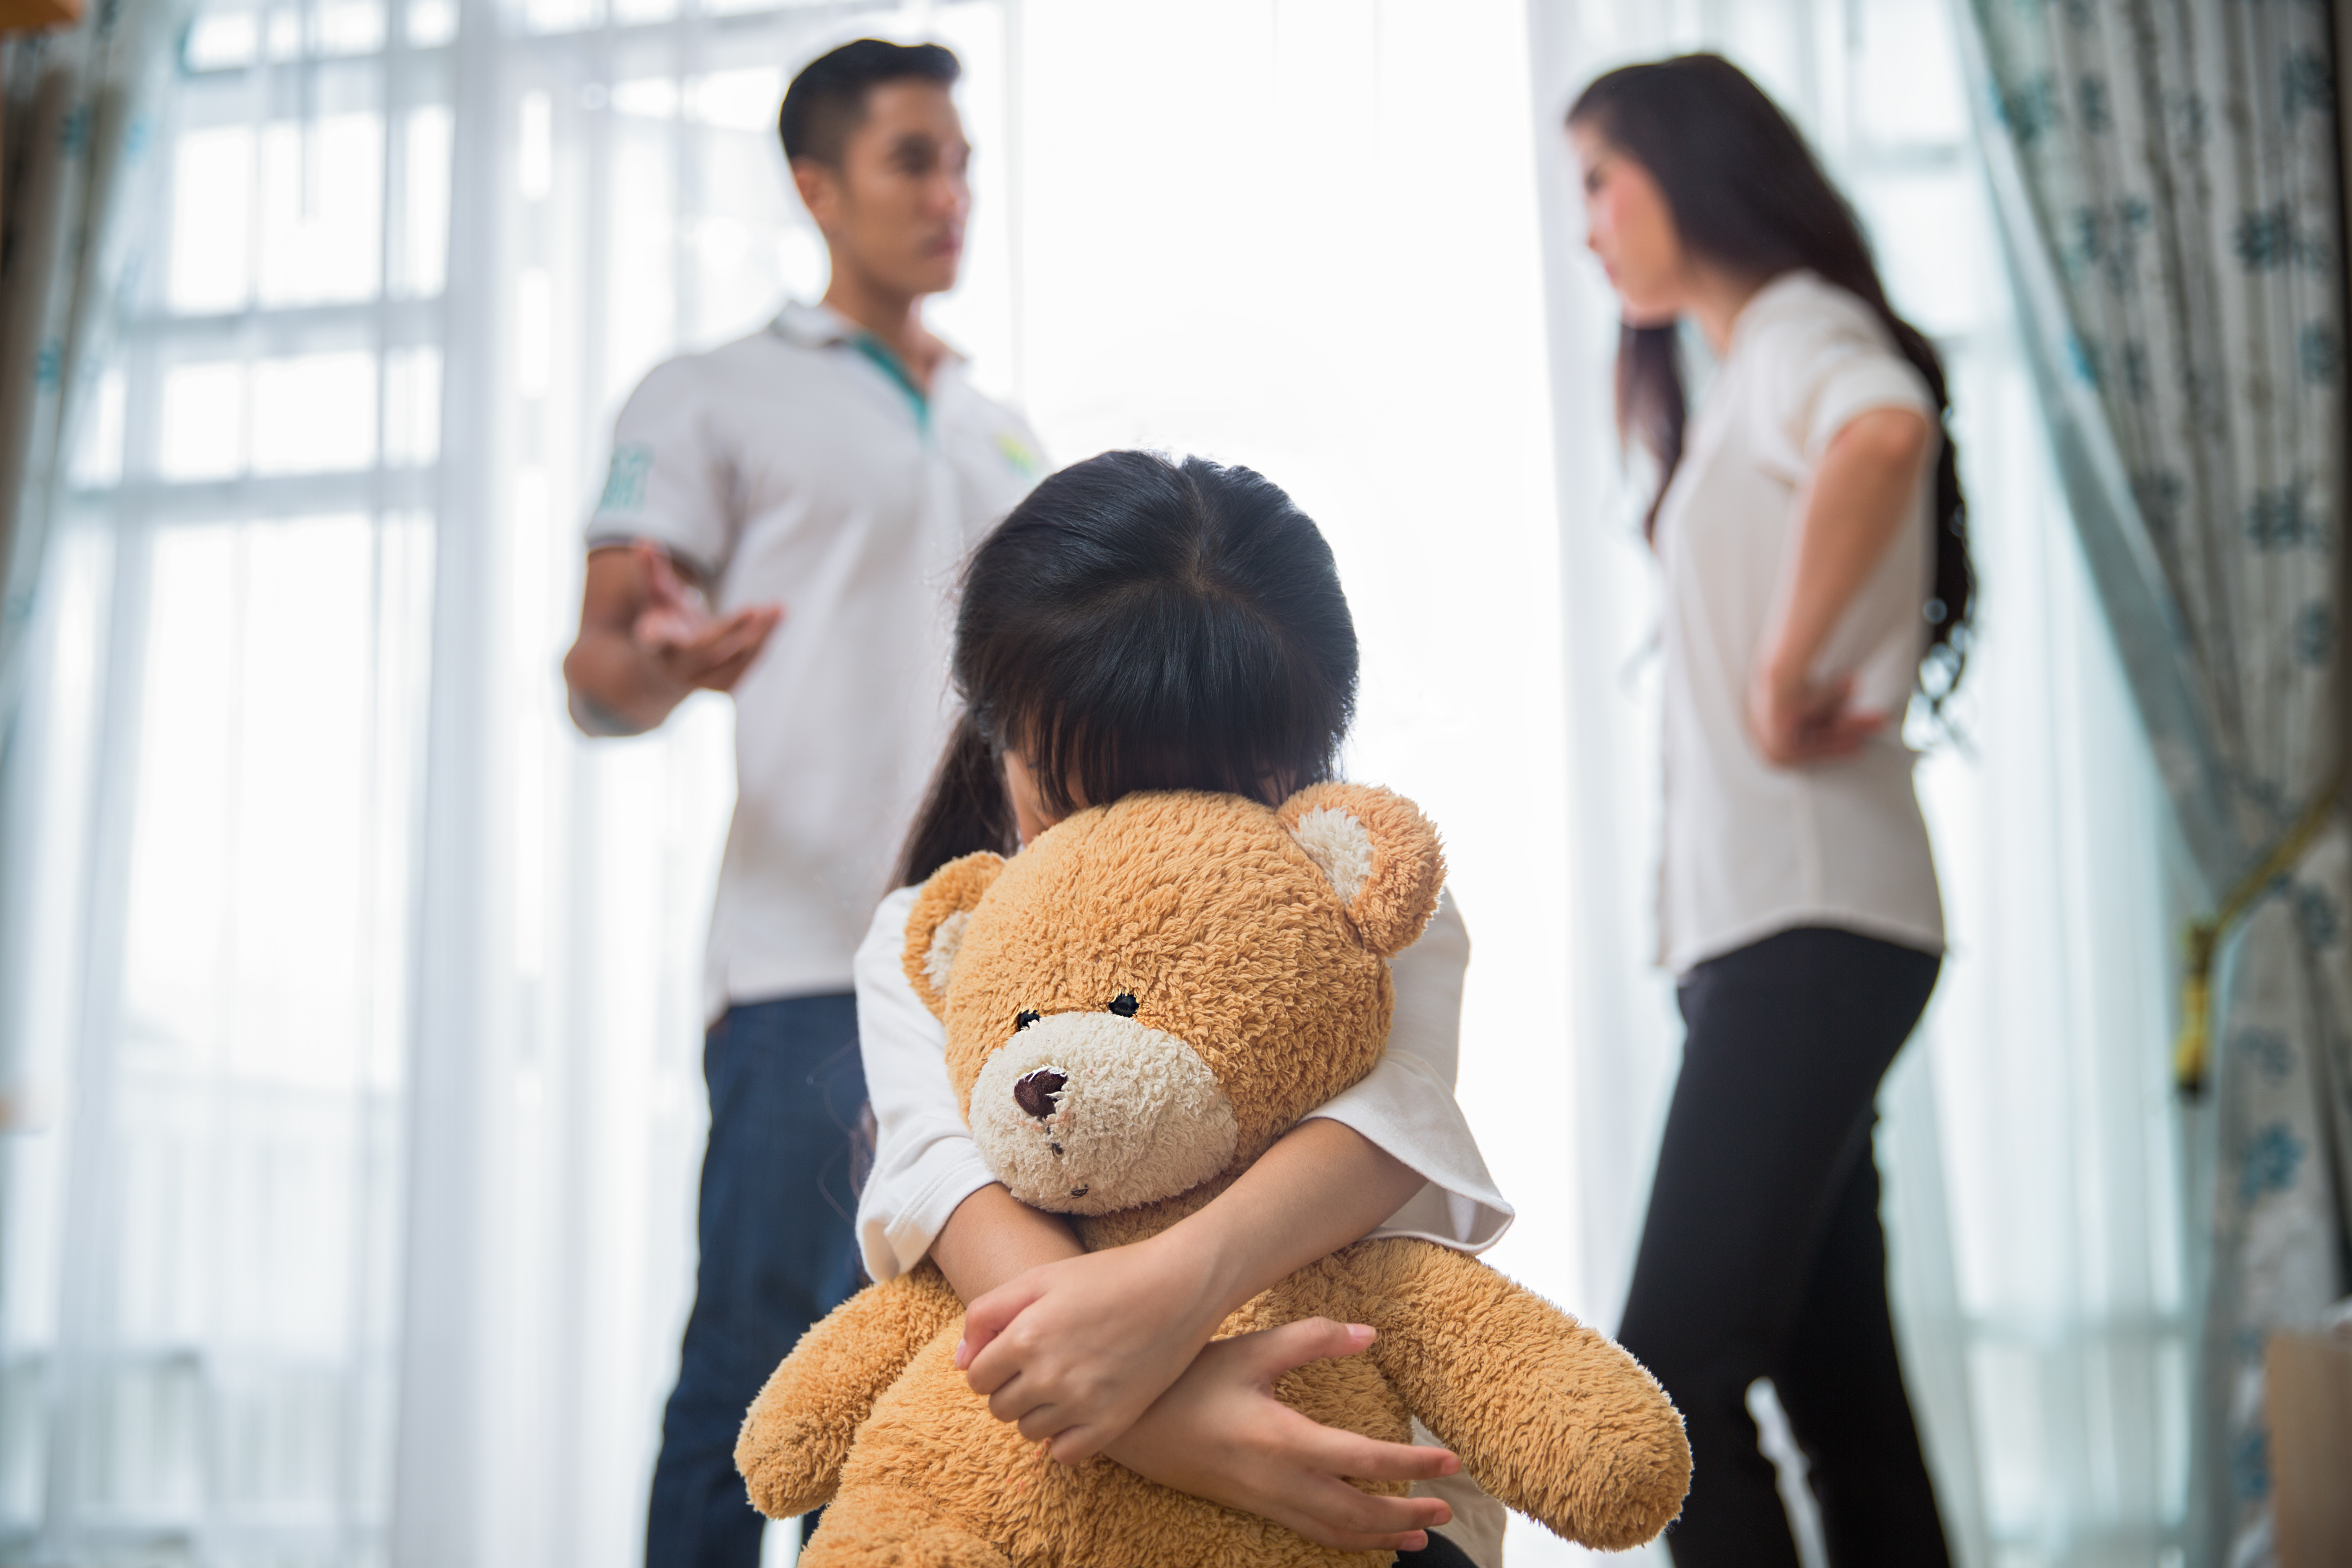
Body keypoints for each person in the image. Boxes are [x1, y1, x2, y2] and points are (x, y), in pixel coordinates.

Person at [559, 38, 1044, 1568]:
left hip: (983, 984)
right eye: (913, 160)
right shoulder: (716, 392)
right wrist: (660, 661)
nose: (950, 192)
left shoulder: (1000, 424)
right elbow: (597, 670)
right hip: (800, 974)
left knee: (918, 1401)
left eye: (962, 160)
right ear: (813, 184)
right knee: (756, 1385)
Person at [853, 450, 1516, 1568]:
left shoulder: (1365, 905)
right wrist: (1184, 1428)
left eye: (1208, 795)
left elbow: (1387, 1127)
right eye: (1079, 797)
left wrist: (1181, 1281)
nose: (1135, 842)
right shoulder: (930, 938)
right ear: (994, 730)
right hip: (1056, 1466)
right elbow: (945, 1186)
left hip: (1349, 1470)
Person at [1565, 55, 1975, 1567]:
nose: (1589, 226)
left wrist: (1785, 666)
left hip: (1807, 928)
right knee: (1837, 1394)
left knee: (1664, 1382)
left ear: (1687, 168)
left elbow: (1883, 430)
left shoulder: (1801, 330)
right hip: (1787, 930)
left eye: (1598, 182)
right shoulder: (1743, 370)